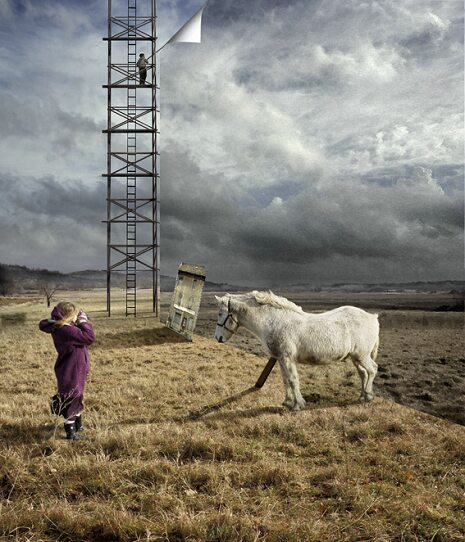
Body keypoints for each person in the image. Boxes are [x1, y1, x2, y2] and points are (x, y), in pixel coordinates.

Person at [39, 301, 95, 441]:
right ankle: (71, 434)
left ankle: (77, 425)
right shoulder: (67, 330)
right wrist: (83, 322)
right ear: (69, 317)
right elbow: (89, 337)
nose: (77, 318)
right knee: (72, 399)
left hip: (72, 368)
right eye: (75, 316)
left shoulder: (61, 327)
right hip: (72, 370)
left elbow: (47, 322)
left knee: (76, 396)